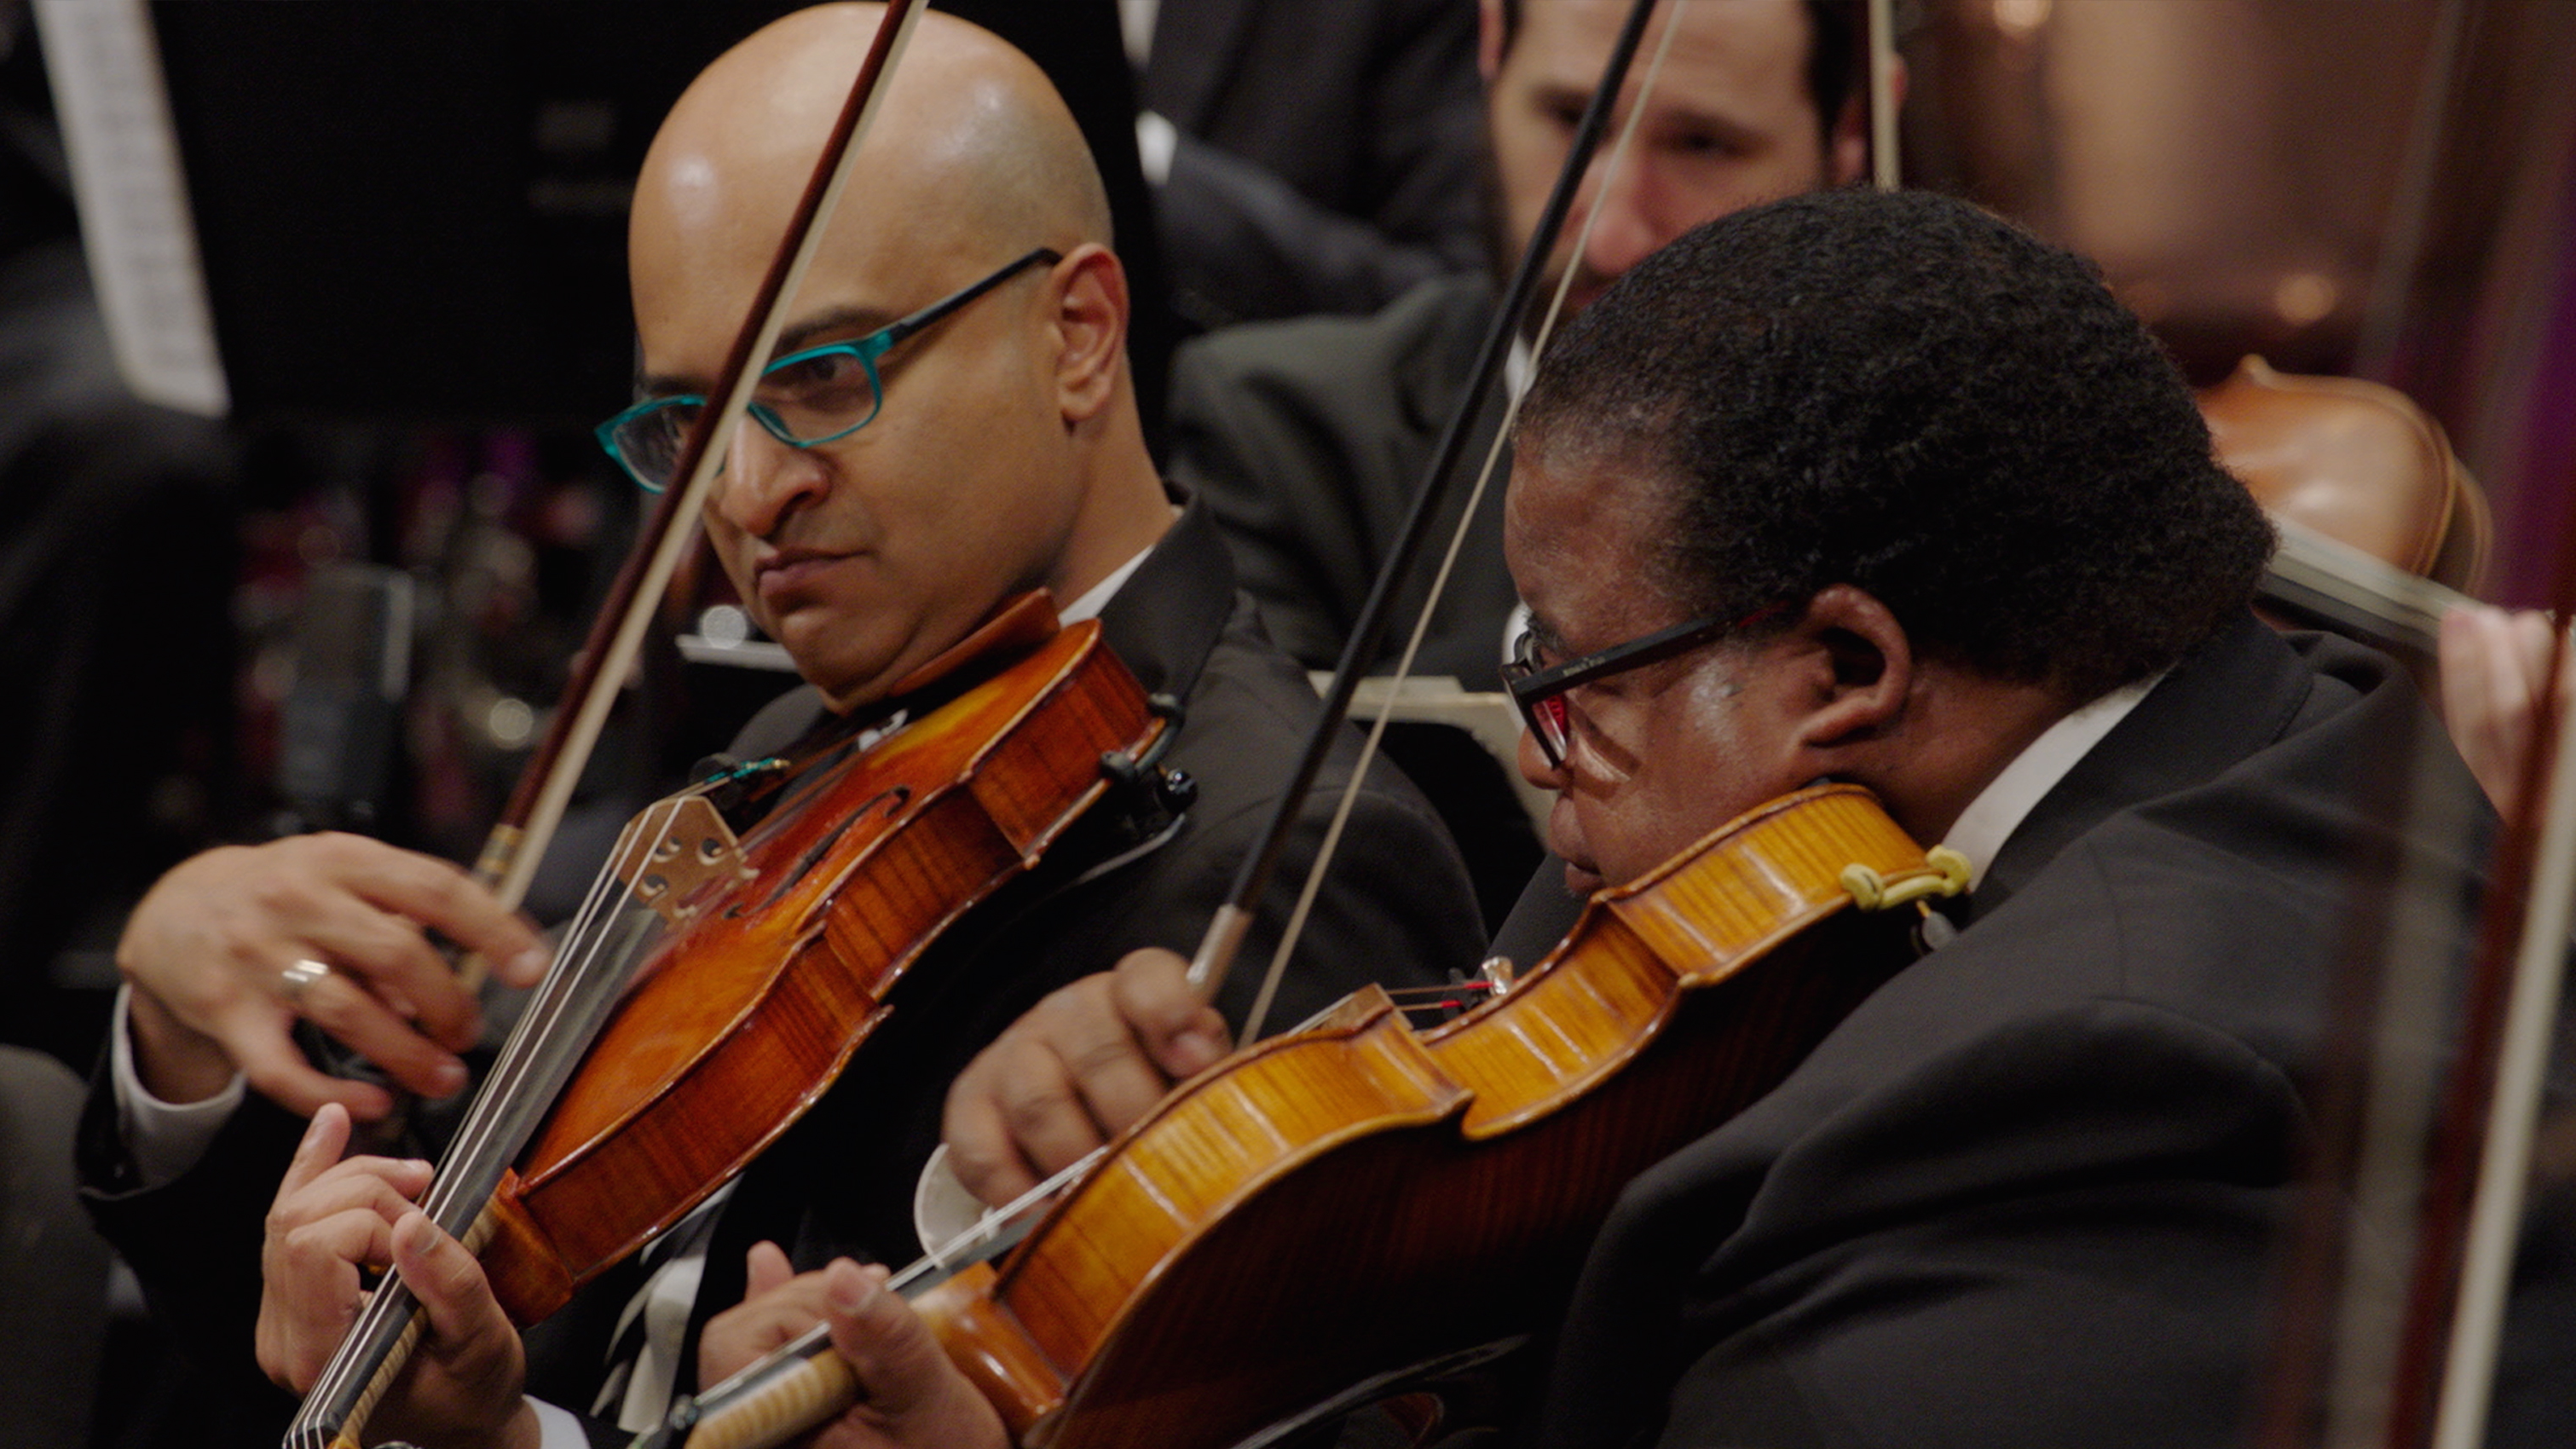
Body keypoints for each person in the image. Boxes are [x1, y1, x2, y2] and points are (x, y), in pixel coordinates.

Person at [321, 189, 2518, 1448]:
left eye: (1565, 677)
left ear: (1842, 667)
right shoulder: (2297, 756)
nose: (1535, 772)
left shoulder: (2089, 1079)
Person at [78, 6, 1482, 1443]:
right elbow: (354, 1360)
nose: (745, 496)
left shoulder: (1281, 861)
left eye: (821, 379)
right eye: (688, 423)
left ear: (1077, 334)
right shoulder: (792, 744)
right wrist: (184, 1047)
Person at [1170, 0, 1874, 685]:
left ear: (1847, 137)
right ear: (1491, 52)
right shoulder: (1279, 433)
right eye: (1571, 119)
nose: (1611, 237)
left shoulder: (1906, 463)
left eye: (1702, 144)